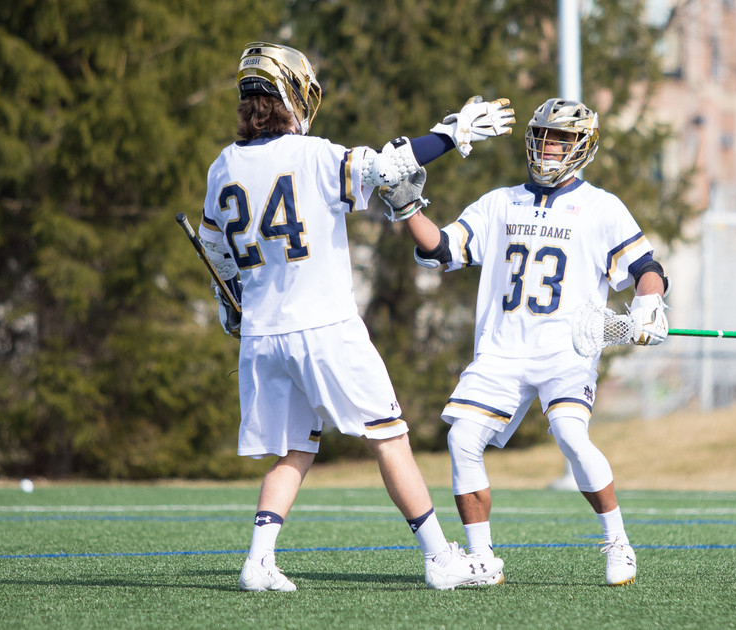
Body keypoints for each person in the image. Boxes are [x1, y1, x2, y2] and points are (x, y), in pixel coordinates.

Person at [197, 42, 515, 592]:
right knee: (390, 438)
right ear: (292, 94)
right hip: (324, 326)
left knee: (296, 446)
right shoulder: (316, 154)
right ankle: (440, 558)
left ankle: (259, 560)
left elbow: (217, 255)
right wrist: (452, 132)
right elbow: (391, 166)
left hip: (263, 336)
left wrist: (231, 307)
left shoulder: (221, 167)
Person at [383, 98, 670, 587]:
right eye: (543, 136)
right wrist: (408, 208)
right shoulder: (499, 202)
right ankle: (480, 560)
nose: (549, 147)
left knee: (570, 435)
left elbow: (647, 271)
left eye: (561, 139)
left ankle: (617, 540)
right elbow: (443, 249)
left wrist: (648, 306)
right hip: (501, 350)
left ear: (584, 146)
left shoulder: (602, 206)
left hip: (567, 349)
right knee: (461, 440)